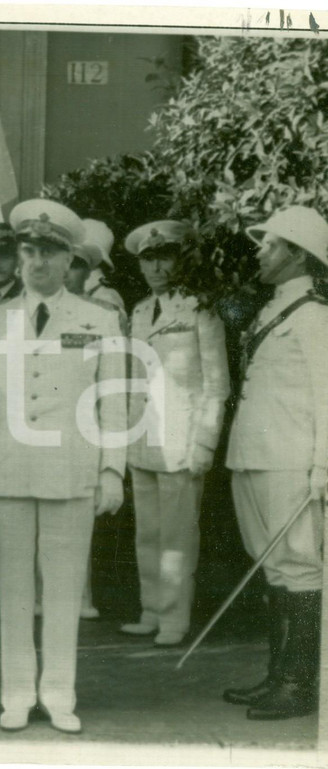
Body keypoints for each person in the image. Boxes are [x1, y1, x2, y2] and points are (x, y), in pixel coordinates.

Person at [0, 199, 126, 734]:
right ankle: (15, 693)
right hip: (7, 470)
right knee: (13, 591)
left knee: (62, 590)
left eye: (49, 253)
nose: (37, 263)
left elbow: (114, 401)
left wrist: (111, 470)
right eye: (29, 251)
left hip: (70, 471)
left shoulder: (99, 321)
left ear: (69, 259)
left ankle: (58, 693)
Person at [222, 205, 328, 720]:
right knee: (270, 566)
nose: (260, 252)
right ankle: (277, 675)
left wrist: (322, 468)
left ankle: (298, 684)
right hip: (255, 456)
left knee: (299, 566)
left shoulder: (313, 317)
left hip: (291, 460)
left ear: (297, 255)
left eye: (270, 245)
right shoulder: (273, 310)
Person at [120, 220, 231, 647]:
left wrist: (204, 442)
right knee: (147, 532)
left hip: (182, 439)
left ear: (180, 258)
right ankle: (150, 611)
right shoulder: (140, 311)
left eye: (164, 256)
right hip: (144, 439)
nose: (156, 267)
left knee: (177, 534)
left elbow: (216, 385)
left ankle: (173, 618)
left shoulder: (200, 308)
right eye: (148, 259)